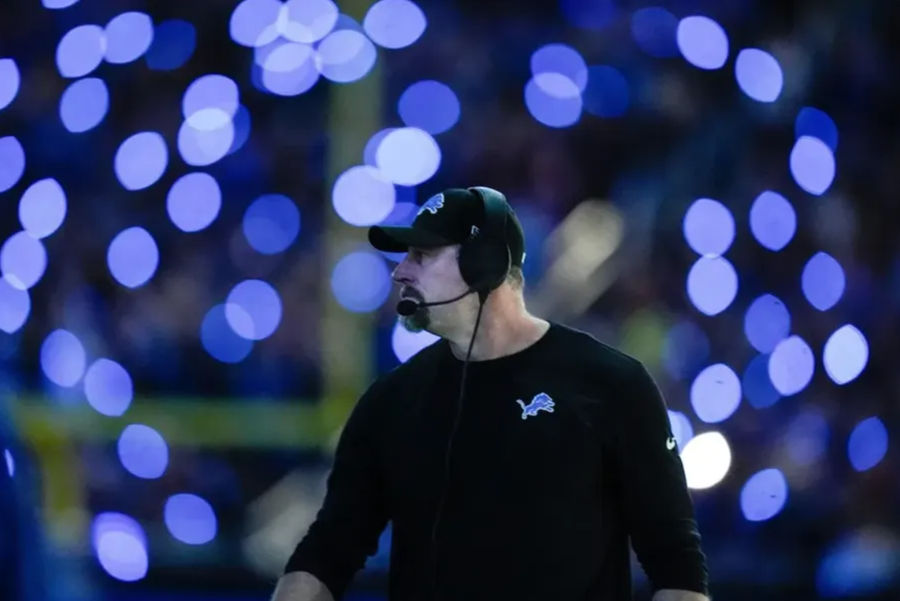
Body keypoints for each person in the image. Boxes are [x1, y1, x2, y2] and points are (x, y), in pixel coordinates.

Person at [272, 187, 710, 601]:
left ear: (484, 264)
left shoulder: (612, 385)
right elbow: (328, 552)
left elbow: (675, 563)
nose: (400, 271)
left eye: (422, 254)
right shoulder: (391, 401)